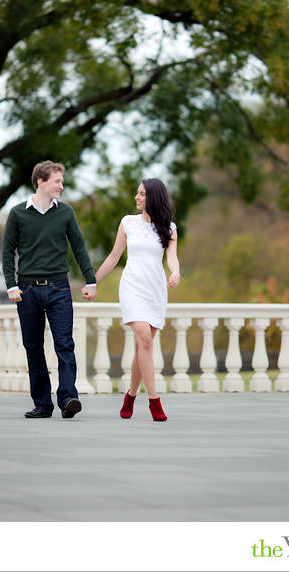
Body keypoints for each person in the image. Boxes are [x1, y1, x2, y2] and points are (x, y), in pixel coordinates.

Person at [2, 160, 97, 419]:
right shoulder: (17, 213)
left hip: (59, 288)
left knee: (65, 344)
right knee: (33, 347)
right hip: (27, 289)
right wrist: (11, 285)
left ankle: (67, 398)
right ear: (40, 181)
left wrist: (90, 281)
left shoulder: (65, 213)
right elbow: (7, 252)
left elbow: (79, 247)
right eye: (57, 181)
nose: (61, 186)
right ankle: (43, 404)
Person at [94, 178, 180, 422]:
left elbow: (172, 258)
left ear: (153, 197)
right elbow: (113, 257)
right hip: (132, 287)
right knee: (144, 339)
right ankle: (154, 401)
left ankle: (130, 395)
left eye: (141, 194)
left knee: (143, 346)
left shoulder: (170, 228)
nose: (136, 197)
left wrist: (175, 272)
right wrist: (93, 282)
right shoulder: (128, 223)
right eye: (137, 193)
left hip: (155, 290)